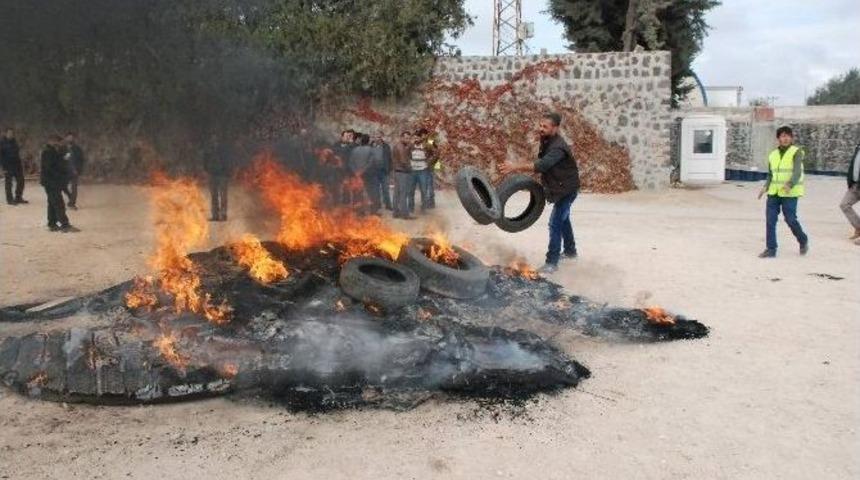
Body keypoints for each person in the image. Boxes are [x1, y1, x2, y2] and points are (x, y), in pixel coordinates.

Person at [499, 112, 580, 274]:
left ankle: (551, 263)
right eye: (541, 125)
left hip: (567, 190)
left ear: (555, 128)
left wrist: (515, 167)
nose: (541, 129)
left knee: (555, 223)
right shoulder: (548, 140)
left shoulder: (558, 147)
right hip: (560, 187)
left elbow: (542, 165)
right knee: (563, 219)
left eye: (545, 127)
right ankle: (570, 251)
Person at [757, 126, 809, 258]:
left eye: (787, 136)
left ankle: (803, 240)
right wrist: (766, 186)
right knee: (770, 220)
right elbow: (771, 174)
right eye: (782, 136)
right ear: (778, 138)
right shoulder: (773, 155)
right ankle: (771, 249)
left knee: (790, 219)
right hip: (774, 193)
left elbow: (797, 171)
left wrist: (790, 184)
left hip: (789, 193)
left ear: (791, 138)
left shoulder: (796, 152)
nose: (785, 138)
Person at [40, 135, 76, 232]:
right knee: (58, 203)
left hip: (53, 181)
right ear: (52, 141)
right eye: (58, 142)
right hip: (51, 182)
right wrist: (60, 175)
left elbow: (58, 164)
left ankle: (52, 223)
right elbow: (50, 168)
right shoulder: (48, 152)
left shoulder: (53, 151)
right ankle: (65, 224)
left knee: (52, 203)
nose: (59, 144)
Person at [203, 134, 234, 222]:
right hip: (212, 174)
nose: (215, 140)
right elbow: (205, 160)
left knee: (223, 195)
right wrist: (206, 170)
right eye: (213, 138)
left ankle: (223, 214)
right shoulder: (208, 149)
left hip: (222, 175)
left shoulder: (224, 149)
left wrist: (228, 171)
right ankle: (215, 215)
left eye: (216, 139)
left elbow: (229, 160)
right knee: (214, 195)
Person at [1, 127, 28, 205]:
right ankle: (10, 199)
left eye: (12, 133)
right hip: (7, 165)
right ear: (6, 133)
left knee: (21, 181)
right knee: (9, 183)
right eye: (9, 133)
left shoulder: (14, 142)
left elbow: (17, 152)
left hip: (17, 165)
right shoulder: (2, 143)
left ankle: (18, 197)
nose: (11, 134)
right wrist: (2, 167)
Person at [409, 129, 433, 214]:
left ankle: (423, 208)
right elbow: (405, 154)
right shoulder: (410, 146)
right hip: (412, 171)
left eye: (417, 138)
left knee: (423, 190)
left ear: (420, 138)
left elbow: (436, 152)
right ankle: (411, 208)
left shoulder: (427, 145)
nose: (416, 139)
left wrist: (430, 162)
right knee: (411, 190)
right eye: (414, 138)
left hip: (423, 171)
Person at [840, 142, 860, 245]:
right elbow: (853, 165)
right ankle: (859, 227)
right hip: (855, 185)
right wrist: (850, 180)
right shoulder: (858, 147)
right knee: (844, 204)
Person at [391, 131, 414, 219]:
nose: (408, 140)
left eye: (409, 138)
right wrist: (410, 169)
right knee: (403, 194)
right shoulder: (400, 147)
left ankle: (395, 212)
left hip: (397, 172)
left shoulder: (399, 145)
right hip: (403, 172)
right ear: (401, 138)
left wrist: (409, 147)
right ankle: (405, 214)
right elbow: (404, 161)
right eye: (406, 138)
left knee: (396, 193)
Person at [61, 132, 85, 209]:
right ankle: (70, 198)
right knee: (62, 186)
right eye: (68, 137)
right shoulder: (62, 148)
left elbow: (81, 160)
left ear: (74, 138)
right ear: (65, 138)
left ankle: (72, 203)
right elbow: (59, 159)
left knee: (74, 188)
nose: (70, 139)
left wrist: (79, 170)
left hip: (74, 171)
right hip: (65, 171)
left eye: (71, 137)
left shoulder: (77, 149)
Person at [371, 131, 393, 210]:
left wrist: (390, 169)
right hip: (374, 171)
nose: (377, 139)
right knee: (376, 190)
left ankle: (388, 205)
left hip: (384, 171)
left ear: (381, 137)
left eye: (379, 137)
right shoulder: (370, 146)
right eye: (376, 137)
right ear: (373, 138)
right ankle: (377, 205)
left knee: (385, 189)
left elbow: (390, 158)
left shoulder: (386, 146)